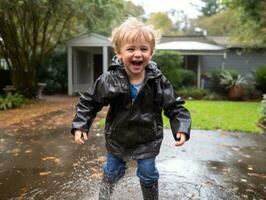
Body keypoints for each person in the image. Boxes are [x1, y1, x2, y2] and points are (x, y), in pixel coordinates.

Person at [71, 17, 191, 200]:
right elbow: (90, 101)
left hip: (147, 138)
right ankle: (103, 197)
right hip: (118, 138)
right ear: (119, 52)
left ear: (151, 53)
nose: (137, 54)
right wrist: (81, 124)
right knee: (112, 172)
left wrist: (181, 127)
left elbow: (174, 105)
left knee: (148, 171)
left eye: (143, 49)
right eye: (130, 49)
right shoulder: (110, 79)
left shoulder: (157, 80)